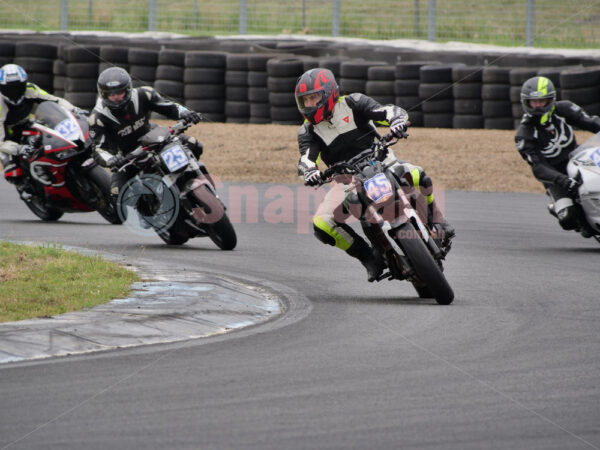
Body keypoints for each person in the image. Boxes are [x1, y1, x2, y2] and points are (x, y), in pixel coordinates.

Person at [295, 68, 454, 282]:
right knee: (321, 223)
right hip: (347, 180)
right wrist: (310, 171)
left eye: (314, 98)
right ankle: (369, 257)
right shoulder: (308, 131)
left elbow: (385, 111)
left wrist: (397, 120)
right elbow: (306, 158)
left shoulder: (353, 102)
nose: (310, 105)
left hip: (382, 160)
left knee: (418, 175)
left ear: (329, 93)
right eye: (305, 100)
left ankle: (438, 222)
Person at [89, 67, 203, 200]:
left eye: (119, 93)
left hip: (154, 139)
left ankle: (194, 175)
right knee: (117, 194)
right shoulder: (97, 118)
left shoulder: (144, 94)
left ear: (128, 89)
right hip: (127, 157)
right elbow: (97, 148)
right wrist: (112, 160)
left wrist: (185, 113)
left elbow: (168, 106)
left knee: (194, 144)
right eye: (111, 94)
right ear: (103, 95)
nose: (116, 98)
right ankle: (151, 210)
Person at [515, 76, 600, 236]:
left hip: (577, 158)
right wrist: (563, 180)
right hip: (554, 175)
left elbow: (591, 122)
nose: (538, 106)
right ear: (526, 103)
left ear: (551, 100)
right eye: (534, 102)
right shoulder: (524, 135)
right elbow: (538, 167)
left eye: (542, 101)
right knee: (568, 218)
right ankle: (583, 222)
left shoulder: (564, 109)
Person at [0, 64, 81, 200]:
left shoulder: (30, 89)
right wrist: (19, 148)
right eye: (10, 88)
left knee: (53, 130)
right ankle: (23, 187)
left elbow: (54, 100)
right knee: (11, 169)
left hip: (28, 122)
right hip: (8, 135)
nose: (14, 91)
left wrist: (74, 109)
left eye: (17, 86)